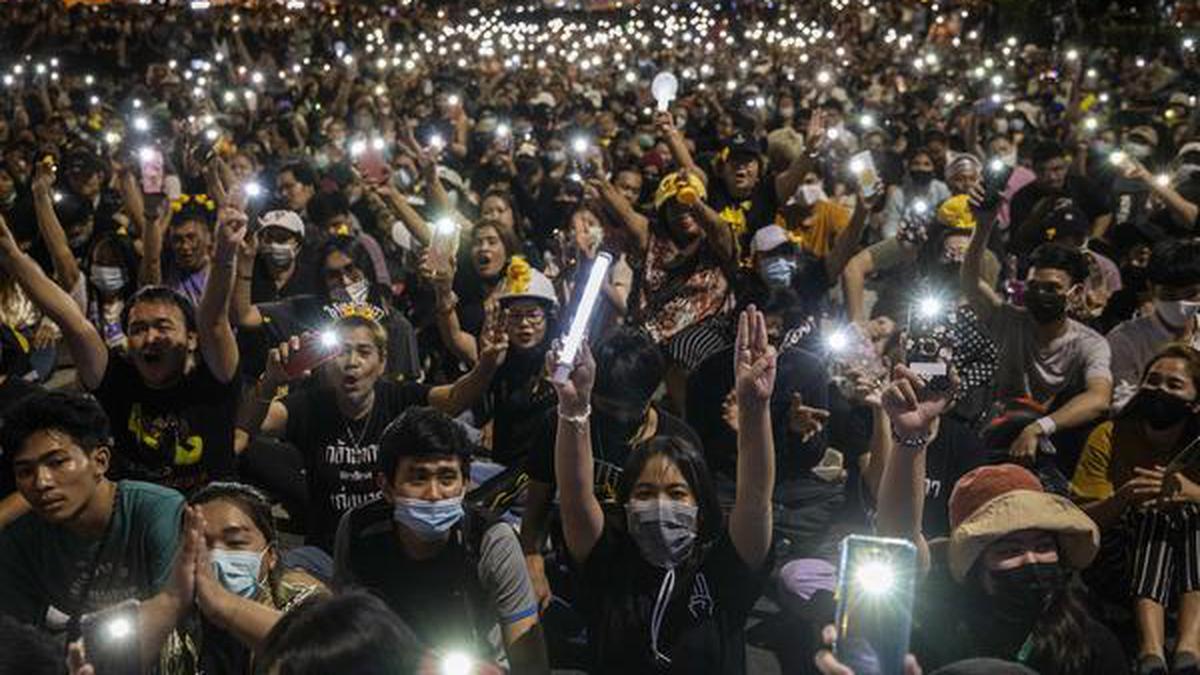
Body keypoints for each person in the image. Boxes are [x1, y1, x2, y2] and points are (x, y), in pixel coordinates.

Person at [551, 306, 776, 673]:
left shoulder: (722, 569)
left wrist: (754, 408)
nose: (660, 505)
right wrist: (574, 411)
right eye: (643, 494)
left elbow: (755, 498)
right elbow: (576, 496)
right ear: (624, 506)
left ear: (700, 505)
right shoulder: (610, 564)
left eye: (675, 494)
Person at [868, 366, 1126, 674]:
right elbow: (900, 543)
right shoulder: (944, 627)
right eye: (1008, 550)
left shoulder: (1091, 642)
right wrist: (911, 437)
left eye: (1043, 545)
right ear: (976, 563)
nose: (1031, 560)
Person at [0, 204, 243, 493]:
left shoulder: (213, 376)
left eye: (163, 326)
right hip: (136, 517)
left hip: (209, 513)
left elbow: (213, 320)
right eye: (138, 329)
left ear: (191, 339)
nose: (150, 337)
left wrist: (226, 253)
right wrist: (10, 253)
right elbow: (71, 320)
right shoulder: (117, 378)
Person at [239, 313, 503, 552]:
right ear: (326, 363)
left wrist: (487, 364)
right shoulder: (311, 405)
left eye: (364, 352)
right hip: (326, 549)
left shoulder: (399, 398)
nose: (352, 362)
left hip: (395, 545)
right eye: (341, 352)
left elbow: (454, 398)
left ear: (382, 362)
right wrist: (270, 381)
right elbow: (253, 423)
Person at [333, 407, 549, 673]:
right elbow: (344, 633)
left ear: (465, 483)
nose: (434, 494)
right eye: (418, 477)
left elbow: (530, 662)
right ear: (387, 487)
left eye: (447, 478)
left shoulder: (490, 540)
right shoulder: (358, 529)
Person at [0, 391, 193, 670]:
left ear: (100, 461)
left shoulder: (157, 511)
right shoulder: (18, 541)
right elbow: (20, 646)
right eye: (25, 471)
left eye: (57, 462)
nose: (41, 482)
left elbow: (173, 617)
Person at [521, 327, 702, 609]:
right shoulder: (563, 426)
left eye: (633, 408)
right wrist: (531, 557)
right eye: (609, 406)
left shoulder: (679, 440)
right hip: (581, 559)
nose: (621, 417)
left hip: (653, 566)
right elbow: (538, 500)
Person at [1070, 344, 1200, 675]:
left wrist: (1191, 492)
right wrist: (1126, 496)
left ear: (1195, 403)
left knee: (1186, 511)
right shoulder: (1108, 436)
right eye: (1152, 381)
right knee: (1153, 510)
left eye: (1174, 385)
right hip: (1117, 560)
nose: (1159, 390)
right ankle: (1151, 649)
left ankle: (1188, 647)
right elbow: (1079, 521)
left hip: (1189, 558)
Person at [962, 207, 1112, 476]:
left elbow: (1098, 398)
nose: (1041, 294)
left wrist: (1039, 427)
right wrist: (983, 225)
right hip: (996, 432)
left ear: (1075, 293)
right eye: (1034, 286)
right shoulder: (1009, 320)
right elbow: (971, 283)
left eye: (1052, 288)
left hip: (1055, 440)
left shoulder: (1091, 343)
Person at [164, 481, 328, 674]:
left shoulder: (305, 602)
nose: (216, 557)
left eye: (235, 542)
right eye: (200, 544)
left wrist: (222, 605)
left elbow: (325, 654)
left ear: (271, 555)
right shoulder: (174, 622)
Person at [1107, 239, 1200, 409]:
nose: (1181, 304)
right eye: (1170, 295)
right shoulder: (1125, 339)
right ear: (1151, 288)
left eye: (1191, 294)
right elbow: (1122, 401)